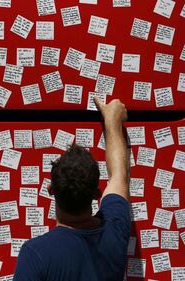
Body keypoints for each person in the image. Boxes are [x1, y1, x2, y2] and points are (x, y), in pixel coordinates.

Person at [13, 97, 130, 281]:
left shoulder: (35, 254)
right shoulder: (115, 229)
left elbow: (119, 176)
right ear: (96, 195)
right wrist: (112, 121)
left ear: (51, 189)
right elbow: (118, 175)